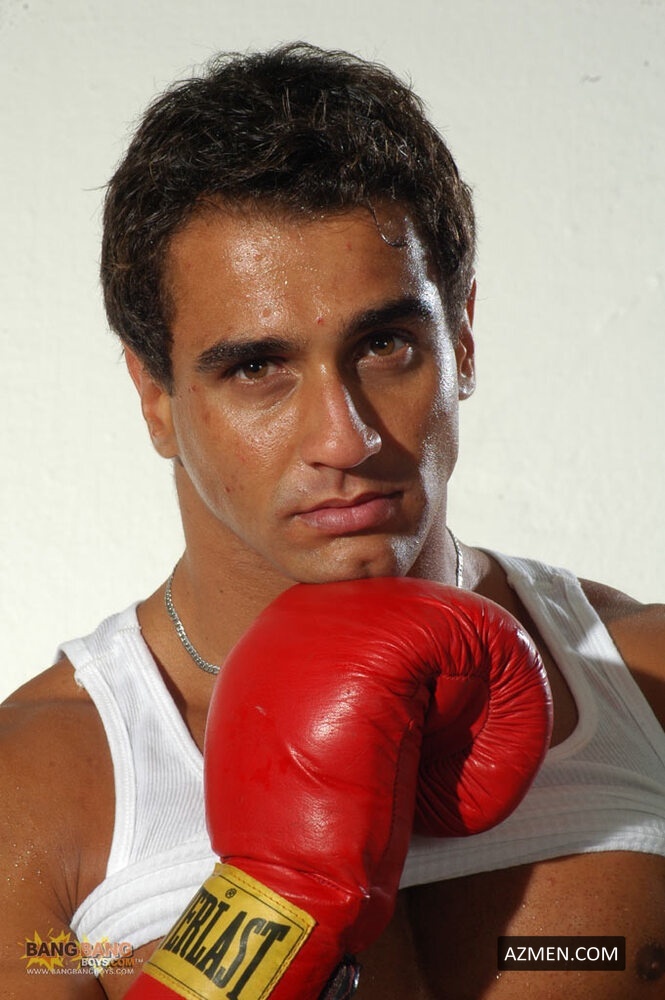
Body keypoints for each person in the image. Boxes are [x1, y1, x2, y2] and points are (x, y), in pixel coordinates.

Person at [1, 41, 663, 1000]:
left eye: (385, 344)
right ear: (155, 397)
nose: (343, 437)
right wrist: (272, 905)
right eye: (256, 368)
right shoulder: (38, 794)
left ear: (462, 338)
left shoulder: (644, 686)